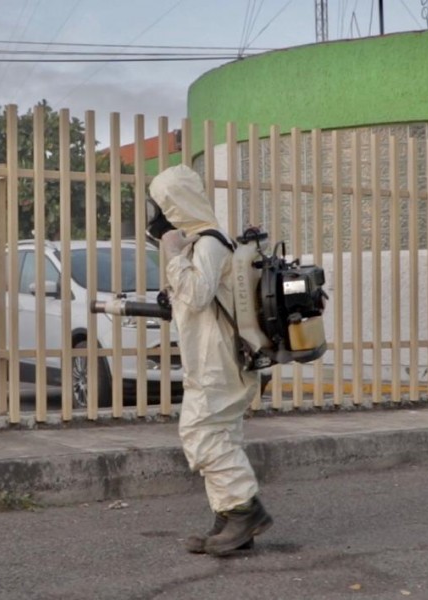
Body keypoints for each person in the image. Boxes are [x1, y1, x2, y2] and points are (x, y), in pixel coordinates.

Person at [147, 164, 273, 557]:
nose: (159, 215)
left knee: (200, 433)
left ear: (177, 204)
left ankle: (245, 510)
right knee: (222, 434)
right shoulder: (206, 243)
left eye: (163, 205)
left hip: (218, 363)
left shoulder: (210, 244)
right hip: (218, 360)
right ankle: (228, 519)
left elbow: (198, 293)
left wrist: (171, 254)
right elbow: (196, 302)